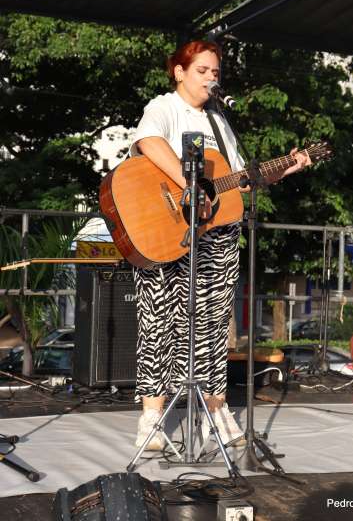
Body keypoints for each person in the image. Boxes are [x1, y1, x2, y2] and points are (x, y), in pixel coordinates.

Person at [131, 40, 310, 450]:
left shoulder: (218, 122)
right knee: (158, 321)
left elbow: (241, 179)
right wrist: (190, 184)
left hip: (217, 236)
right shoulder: (163, 107)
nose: (211, 77)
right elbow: (149, 143)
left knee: (212, 325)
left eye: (215, 72)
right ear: (179, 72)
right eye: (202, 70)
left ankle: (216, 412)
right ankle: (151, 418)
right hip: (165, 230)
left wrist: (286, 166)